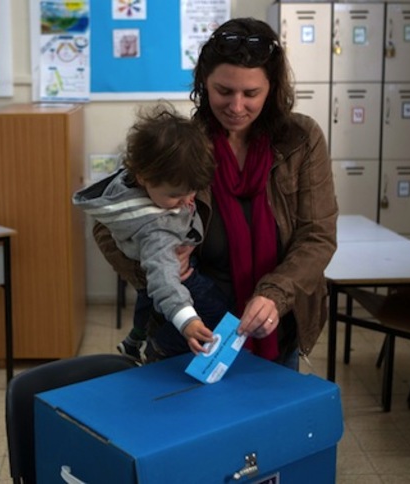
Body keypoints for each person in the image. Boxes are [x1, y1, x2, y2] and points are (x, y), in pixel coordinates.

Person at [94, 18, 338, 369]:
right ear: (203, 84)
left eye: (251, 94)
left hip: (276, 325)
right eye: (224, 91)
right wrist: (156, 267)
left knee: (266, 418)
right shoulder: (184, 144)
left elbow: (318, 236)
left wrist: (274, 295)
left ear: (272, 89)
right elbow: (107, 224)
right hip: (196, 327)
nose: (236, 106)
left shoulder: (300, 140)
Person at [73, 104, 229, 363]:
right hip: (180, 279)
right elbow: (164, 282)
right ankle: (160, 347)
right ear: (144, 177)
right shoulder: (156, 229)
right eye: (175, 195)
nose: (186, 201)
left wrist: (179, 196)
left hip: (158, 278)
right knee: (217, 312)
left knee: (147, 303)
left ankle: (135, 339)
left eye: (192, 191)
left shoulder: (130, 182)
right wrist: (186, 320)